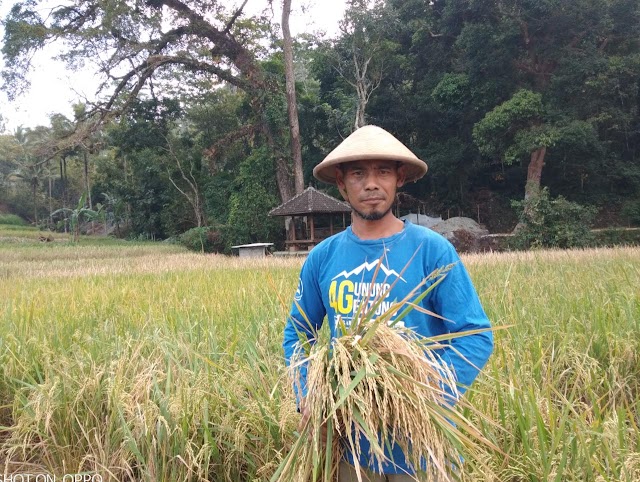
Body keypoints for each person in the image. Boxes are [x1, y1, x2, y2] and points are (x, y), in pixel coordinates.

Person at [282, 125, 494, 481]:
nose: (371, 184)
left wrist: (427, 394)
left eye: (383, 171)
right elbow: (297, 333)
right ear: (341, 183)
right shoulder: (322, 257)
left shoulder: (432, 250)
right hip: (349, 442)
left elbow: (475, 335)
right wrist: (307, 392)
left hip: (420, 442)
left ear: (399, 179)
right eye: (358, 173)